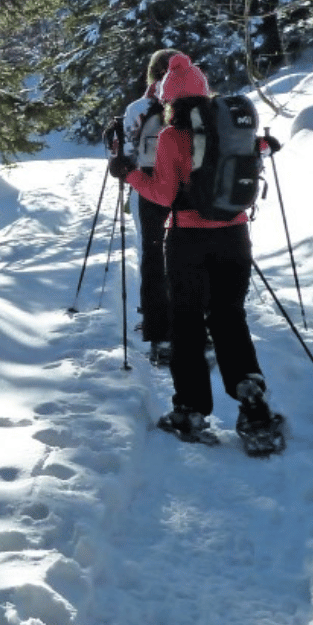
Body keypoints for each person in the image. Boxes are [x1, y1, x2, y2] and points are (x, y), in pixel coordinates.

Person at [107, 52, 283, 445]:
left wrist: (130, 174)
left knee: (186, 325)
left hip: (188, 240)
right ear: (205, 94)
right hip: (235, 237)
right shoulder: (232, 129)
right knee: (230, 318)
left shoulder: (172, 137)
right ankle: (253, 404)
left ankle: (190, 411)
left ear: (169, 101)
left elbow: (164, 194)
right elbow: (258, 156)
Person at [120, 49, 178, 364]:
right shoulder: (199, 104)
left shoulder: (138, 108)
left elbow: (127, 153)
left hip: (148, 189)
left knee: (153, 257)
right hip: (190, 190)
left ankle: (160, 333)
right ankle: (198, 323)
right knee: (190, 255)